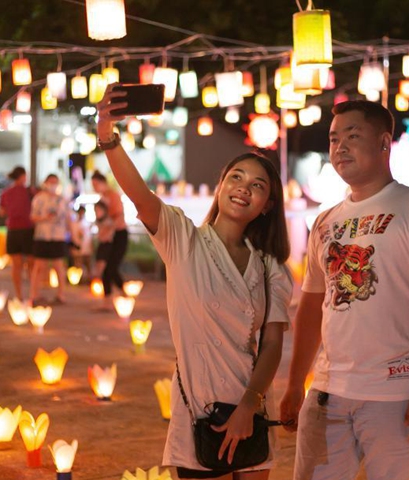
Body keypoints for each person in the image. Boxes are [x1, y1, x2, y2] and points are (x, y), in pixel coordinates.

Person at [97, 89, 293, 480]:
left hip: (252, 406)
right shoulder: (181, 239)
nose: (244, 188)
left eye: (258, 185)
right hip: (198, 407)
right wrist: (107, 135)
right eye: (236, 177)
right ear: (220, 186)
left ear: (267, 204)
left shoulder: (271, 267)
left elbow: (271, 344)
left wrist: (248, 407)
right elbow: (139, 193)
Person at [278, 100, 409, 480]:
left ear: (383, 143)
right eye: (333, 139)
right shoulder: (325, 221)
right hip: (328, 390)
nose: (339, 147)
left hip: (395, 394)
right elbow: (311, 307)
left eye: (352, 136)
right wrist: (296, 384)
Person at [29, 174, 69, 305]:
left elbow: (68, 218)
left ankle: (61, 294)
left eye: (56, 183)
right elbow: (33, 216)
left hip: (58, 236)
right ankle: (34, 294)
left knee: (58, 265)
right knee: (40, 266)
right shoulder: (39, 198)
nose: (53, 185)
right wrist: (45, 217)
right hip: (42, 236)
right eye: (51, 182)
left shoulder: (62, 200)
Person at [91, 171, 128, 307]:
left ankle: (118, 296)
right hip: (108, 236)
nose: (94, 187)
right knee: (108, 268)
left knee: (111, 267)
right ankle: (113, 297)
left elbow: (118, 216)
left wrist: (109, 230)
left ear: (102, 182)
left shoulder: (113, 195)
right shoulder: (103, 197)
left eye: (95, 184)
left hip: (118, 234)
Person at [0, 166, 34, 300]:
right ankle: (32, 294)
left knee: (16, 265)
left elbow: (1, 211)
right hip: (27, 229)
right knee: (31, 264)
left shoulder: (6, 193)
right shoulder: (29, 191)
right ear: (23, 176)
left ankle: (19, 295)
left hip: (13, 229)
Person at [69, 205, 93, 281]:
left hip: (86, 247)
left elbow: (89, 236)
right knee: (78, 264)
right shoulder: (74, 224)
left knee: (88, 264)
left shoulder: (87, 223)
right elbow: (72, 235)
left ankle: (89, 279)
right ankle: (79, 280)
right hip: (77, 247)